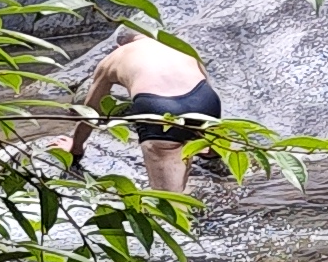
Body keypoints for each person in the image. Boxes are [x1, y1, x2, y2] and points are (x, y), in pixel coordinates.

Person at [64, 29, 216, 195]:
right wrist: (212, 147)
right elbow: (208, 88)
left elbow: (91, 112)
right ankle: (209, 151)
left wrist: (75, 148)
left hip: (158, 107)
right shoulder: (178, 46)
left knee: (168, 198)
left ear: (119, 45)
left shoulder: (115, 56)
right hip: (204, 99)